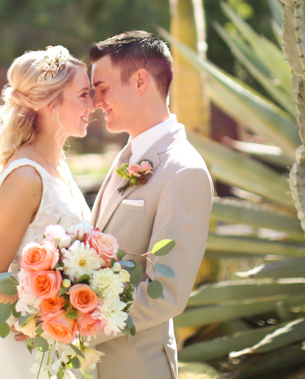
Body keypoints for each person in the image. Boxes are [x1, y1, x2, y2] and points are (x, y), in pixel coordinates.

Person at [87, 31, 213, 379]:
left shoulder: (184, 171)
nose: (96, 101)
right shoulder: (127, 156)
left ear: (140, 80)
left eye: (103, 87)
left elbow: (166, 294)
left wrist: (76, 327)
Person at [0, 46, 94, 379]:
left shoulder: (58, 166)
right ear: (50, 104)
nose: (93, 104)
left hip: (60, 342)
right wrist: (40, 317)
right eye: (83, 95)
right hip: (24, 347)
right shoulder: (26, 176)